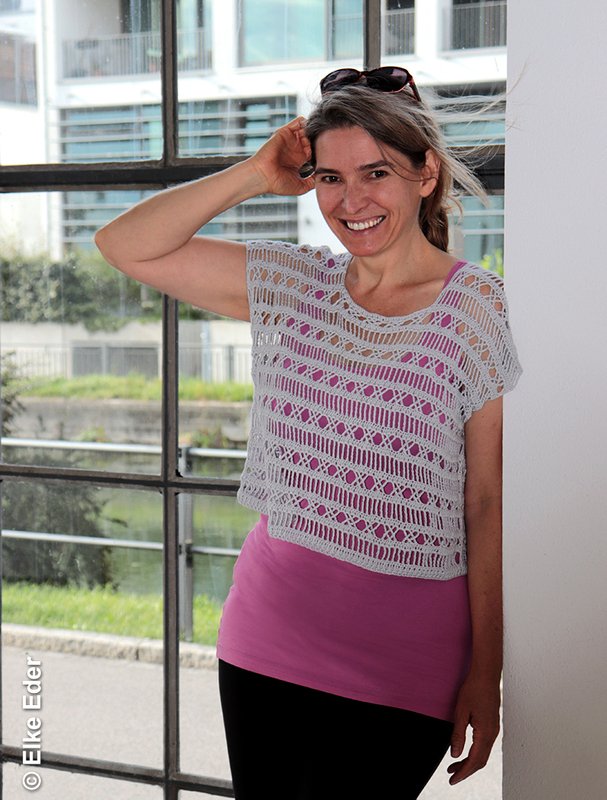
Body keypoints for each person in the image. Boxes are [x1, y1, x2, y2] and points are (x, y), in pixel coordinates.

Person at [95, 66, 522, 799]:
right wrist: (255, 174)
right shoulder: (295, 284)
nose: (350, 202)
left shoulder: (478, 310)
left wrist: (488, 671)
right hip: (266, 639)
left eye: (376, 173)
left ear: (424, 174)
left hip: (405, 663)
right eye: (330, 178)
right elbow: (123, 244)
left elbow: (488, 503)